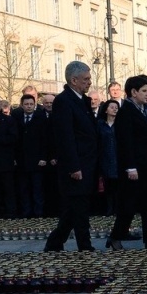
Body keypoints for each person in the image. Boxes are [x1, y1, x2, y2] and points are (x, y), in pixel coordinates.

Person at [108, 75, 147, 250]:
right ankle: (115, 237)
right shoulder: (126, 111)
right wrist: (130, 167)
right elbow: (125, 141)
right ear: (133, 92)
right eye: (144, 90)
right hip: (134, 167)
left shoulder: (146, 109)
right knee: (129, 204)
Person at [43, 61, 99, 252]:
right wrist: (74, 166)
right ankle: (85, 245)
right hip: (76, 164)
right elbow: (65, 137)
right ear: (74, 80)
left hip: (88, 161)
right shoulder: (64, 101)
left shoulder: (82, 100)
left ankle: (54, 243)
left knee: (73, 208)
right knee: (79, 207)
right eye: (86, 79)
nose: (89, 82)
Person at [11, 94, 49, 217]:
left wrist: (43, 157)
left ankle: (39, 214)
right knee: (23, 189)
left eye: (31, 104)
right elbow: (15, 139)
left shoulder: (41, 117)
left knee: (38, 189)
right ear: (22, 105)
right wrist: (15, 158)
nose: (29, 106)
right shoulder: (16, 117)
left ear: (35, 105)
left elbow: (45, 139)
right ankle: (26, 213)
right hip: (21, 160)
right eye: (26, 104)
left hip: (37, 160)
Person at [96, 99, 120, 216]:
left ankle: (117, 209)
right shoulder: (100, 124)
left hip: (118, 158)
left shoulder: (120, 124)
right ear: (106, 110)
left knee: (117, 187)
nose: (115, 109)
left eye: (116, 107)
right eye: (112, 107)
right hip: (104, 158)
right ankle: (108, 210)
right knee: (106, 186)